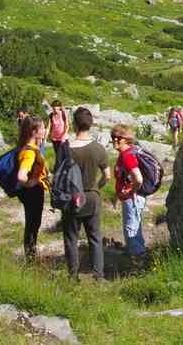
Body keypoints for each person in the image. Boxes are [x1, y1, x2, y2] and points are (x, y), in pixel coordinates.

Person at [62, 107, 109, 280]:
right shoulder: (98, 148)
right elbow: (107, 176)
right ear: (90, 124)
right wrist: (97, 187)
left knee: (71, 238)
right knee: (95, 237)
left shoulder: (66, 149)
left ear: (74, 124)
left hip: (71, 197)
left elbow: (59, 175)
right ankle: (98, 275)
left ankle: (73, 276)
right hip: (92, 196)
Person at [15, 116, 49, 263]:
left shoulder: (32, 147)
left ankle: (31, 255)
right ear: (34, 131)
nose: (44, 130)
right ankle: (30, 259)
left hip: (33, 192)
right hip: (33, 193)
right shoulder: (29, 152)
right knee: (32, 225)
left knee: (33, 224)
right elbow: (21, 175)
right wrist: (31, 182)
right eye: (41, 128)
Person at [111, 125, 146, 257]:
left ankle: (136, 259)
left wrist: (131, 192)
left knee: (131, 229)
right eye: (113, 137)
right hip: (131, 198)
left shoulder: (127, 156)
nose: (114, 140)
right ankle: (139, 253)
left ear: (126, 139)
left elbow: (138, 178)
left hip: (132, 199)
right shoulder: (126, 153)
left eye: (118, 137)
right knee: (135, 227)